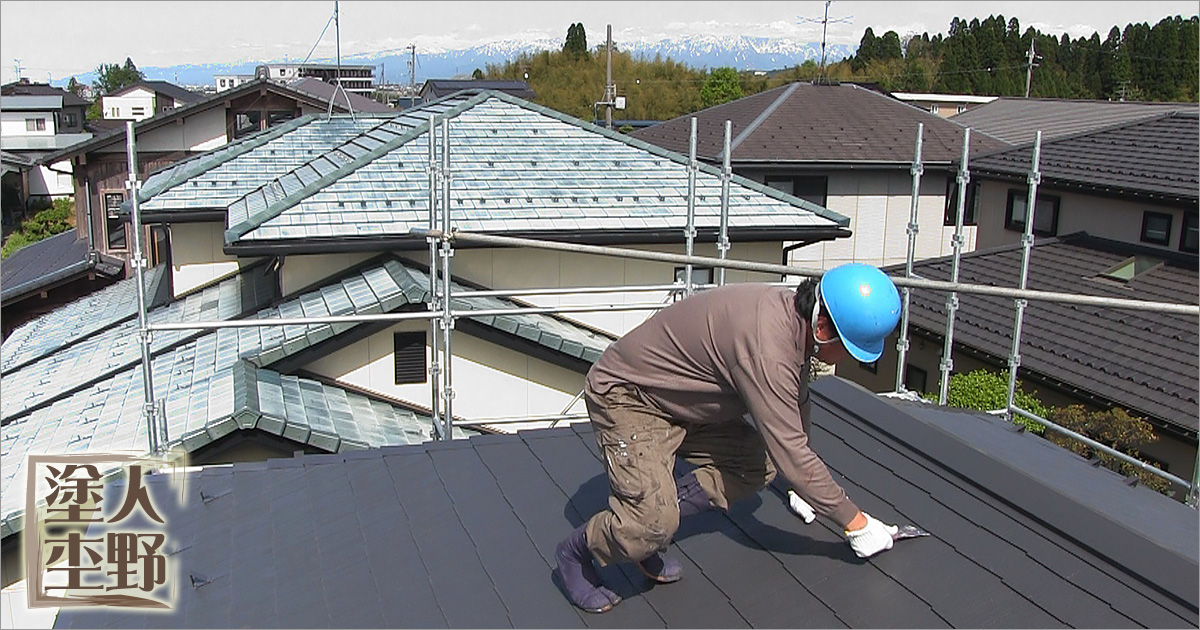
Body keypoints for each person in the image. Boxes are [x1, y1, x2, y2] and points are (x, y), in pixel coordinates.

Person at [554, 263, 904, 613]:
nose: (849, 358)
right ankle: (579, 552)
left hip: (684, 401)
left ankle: (648, 529)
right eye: (849, 347)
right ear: (824, 327)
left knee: (758, 464)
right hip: (632, 397)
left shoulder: (792, 318)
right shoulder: (768, 345)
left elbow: (797, 408)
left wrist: (802, 486)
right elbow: (793, 454)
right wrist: (856, 523)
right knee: (651, 524)